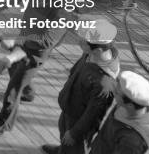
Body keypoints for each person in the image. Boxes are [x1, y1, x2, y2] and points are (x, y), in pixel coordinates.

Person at [0, 0, 81, 144]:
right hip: (27, 33)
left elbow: (47, 41)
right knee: (16, 66)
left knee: (13, 89)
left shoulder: (65, 6)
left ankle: (0, 127)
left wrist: (19, 41)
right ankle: (29, 91)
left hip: (38, 48)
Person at [42, 18, 120, 154]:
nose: (79, 42)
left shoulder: (104, 83)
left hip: (78, 121)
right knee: (64, 135)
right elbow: (79, 65)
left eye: (84, 42)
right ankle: (63, 150)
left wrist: (75, 133)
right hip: (70, 108)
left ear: (98, 50)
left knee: (73, 146)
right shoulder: (91, 53)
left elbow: (93, 114)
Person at [89, 71, 149, 154]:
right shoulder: (131, 105)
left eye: (117, 93)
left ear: (130, 105)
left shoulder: (131, 142)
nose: (114, 91)